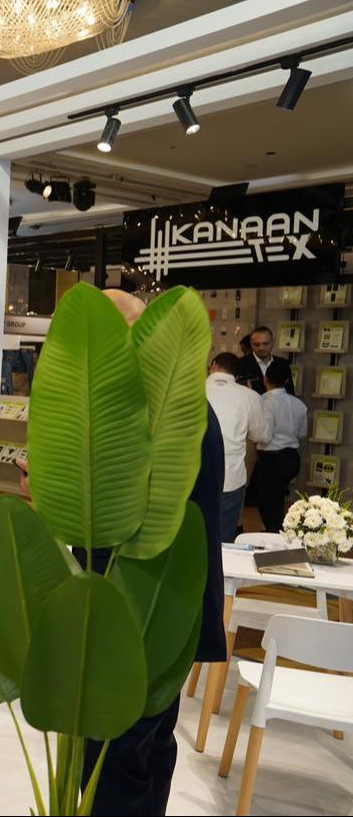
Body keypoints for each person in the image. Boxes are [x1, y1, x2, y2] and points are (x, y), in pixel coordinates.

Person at [77, 289, 228, 817]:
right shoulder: (175, 402)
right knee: (143, 749)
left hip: (144, 613)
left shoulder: (157, 412)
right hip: (156, 610)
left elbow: (143, 518)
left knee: (117, 755)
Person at [207, 352, 270, 541]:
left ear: (213, 366)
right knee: (223, 540)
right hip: (231, 477)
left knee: (194, 538)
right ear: (237, 375)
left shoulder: (189, 388)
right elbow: (262, 436)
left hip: (192, 477)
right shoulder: (249, 396)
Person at [254, 359, 308, 532]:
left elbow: (265, 435)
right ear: (286, 381)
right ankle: (276, 533)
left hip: (271, 459)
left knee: (267, 503)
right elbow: (302, 433)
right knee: (276, 500)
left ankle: (275, 536)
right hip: (292, 458)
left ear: (265, 379)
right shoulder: (299, 404)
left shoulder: (264, 402)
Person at [235, 326, 292, 394]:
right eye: (256, 344)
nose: (261, 348)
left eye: (265, 344)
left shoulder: (283, 364)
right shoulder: (240, 364)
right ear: (251, 344)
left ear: (272, 343)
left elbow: (290, 392)